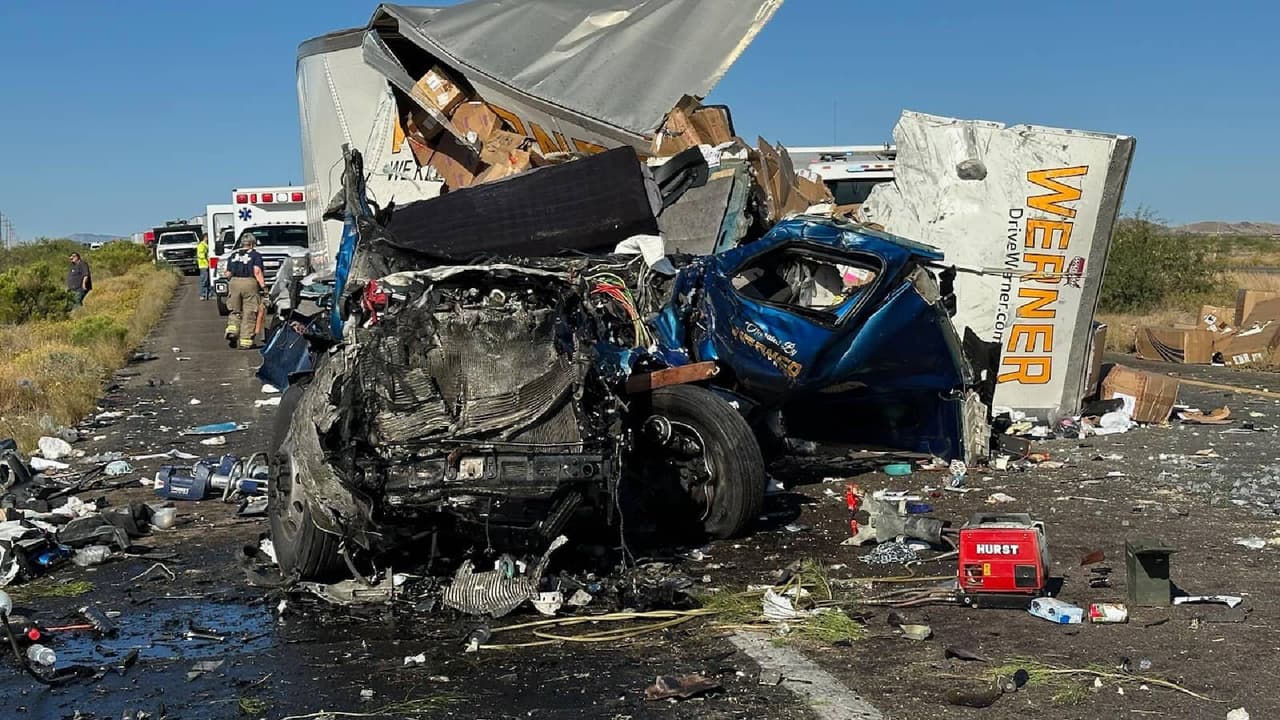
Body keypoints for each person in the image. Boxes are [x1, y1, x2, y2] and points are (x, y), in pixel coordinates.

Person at [222, 232, 266, 349]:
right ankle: (245, 341)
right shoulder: (256, 255)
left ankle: (232, 330)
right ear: (252, 244)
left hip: (234, 282)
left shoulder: (234, 255)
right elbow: (257, 271)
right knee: (249, 312)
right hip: (249, 283)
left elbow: (227, 273)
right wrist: (263, 287)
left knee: (235, 310)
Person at [196, 234, 211, 300]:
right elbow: (200, 255)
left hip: (207, 264)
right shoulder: (201, 245)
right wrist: (206, 256)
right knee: (204, 280)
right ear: (205, 237)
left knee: (208, 280)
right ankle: (202, 294)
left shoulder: (206, 245)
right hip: (203, 264)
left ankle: (208, 294)